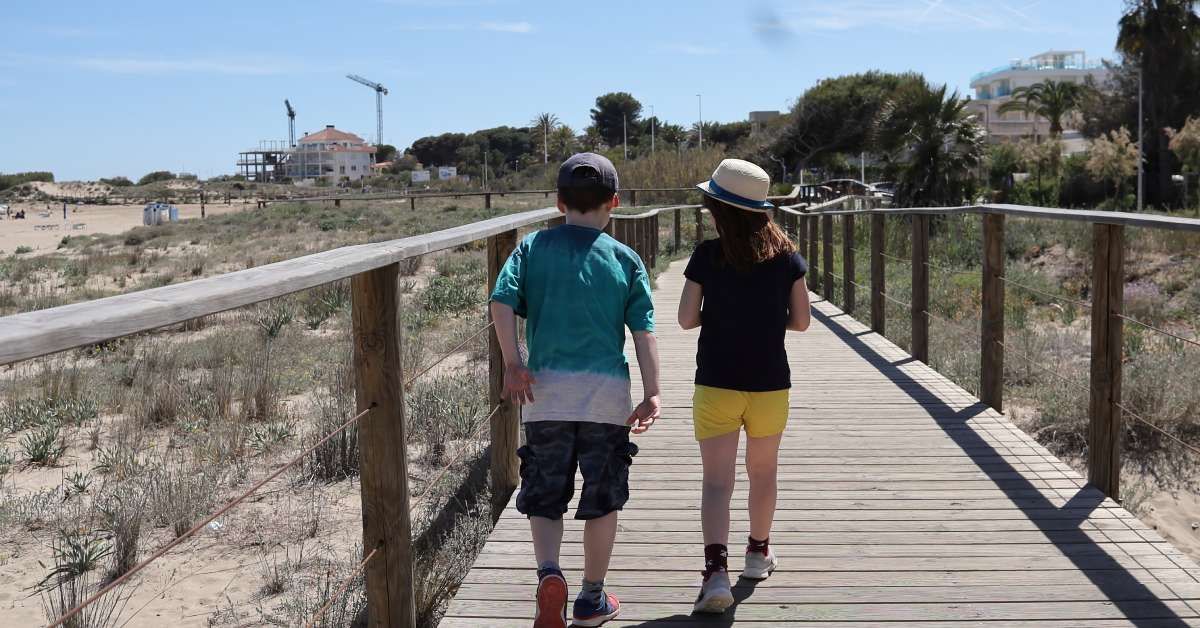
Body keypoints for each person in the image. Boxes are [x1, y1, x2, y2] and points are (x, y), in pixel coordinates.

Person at [490, 152, 662, 628]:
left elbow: (501, 301)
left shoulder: (532, 247)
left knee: (545, 492)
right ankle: (591, 596)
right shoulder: (625, 259)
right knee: (603, 496)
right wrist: (653, 392)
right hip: (606, 400)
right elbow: (644, 333)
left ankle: (549, 573)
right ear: (615, 202)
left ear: (559, 200)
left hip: (543, 395)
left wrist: (513, 363)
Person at [677, 159, 811, 614]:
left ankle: (715, 572)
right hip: (770, 384)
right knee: (763, 472)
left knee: (717, 482)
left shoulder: (706, 256)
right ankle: (758, 553)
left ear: (717, 209)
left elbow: (684, 318)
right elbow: (803, 321)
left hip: (716, 381)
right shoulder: (788, 258)